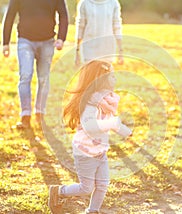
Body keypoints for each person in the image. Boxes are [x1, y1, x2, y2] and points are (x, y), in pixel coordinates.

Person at [48, 60, 132, 214]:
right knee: (86, 188)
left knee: (102, 185)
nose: (115, 79)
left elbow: (111, 122)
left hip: (100, 151)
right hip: (85, 151)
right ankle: (58, 191)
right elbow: (91, 127)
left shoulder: (107, 101)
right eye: (111, 76)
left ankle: (92, 211)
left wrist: (126, 132)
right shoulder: (90, 104)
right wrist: (113, 123)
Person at [2, 0, 69, 129]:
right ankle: (25, 116)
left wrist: (61, 38)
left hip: (48, 42)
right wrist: (6, 42)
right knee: (25, 76)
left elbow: (63, 15)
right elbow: (10, 15)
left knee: (43, 78)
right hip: (25, 41)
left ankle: (40, 113)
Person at [74, 0, 124, 65]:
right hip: (89, 49)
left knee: (105, 74)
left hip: (107, 49)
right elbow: (80, 27)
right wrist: (77, 52)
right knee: (91, 74)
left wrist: (120, 51)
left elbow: (117, 27)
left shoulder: (113, 3)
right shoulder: (84, 3)